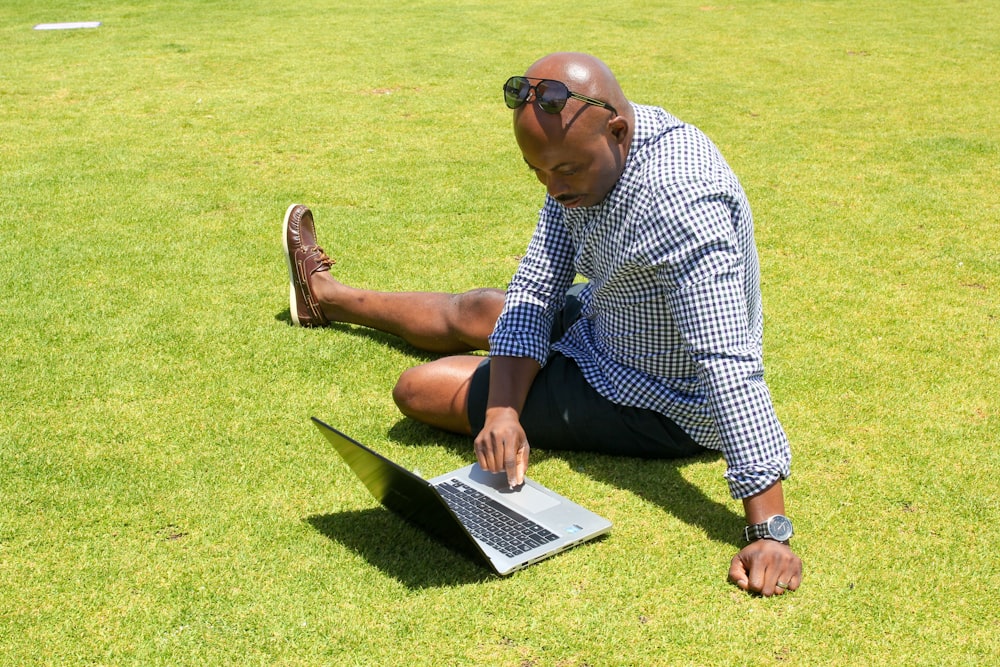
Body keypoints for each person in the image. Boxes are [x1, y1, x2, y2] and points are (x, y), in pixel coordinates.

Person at [282, 52, 803, 597]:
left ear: (618, 132)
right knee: (485, 308)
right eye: (538, 171)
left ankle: (356, 312)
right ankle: (326, 297)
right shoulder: (582, 150)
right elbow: (536, 286)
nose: (553, 188)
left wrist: (769, 530)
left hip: (658, 395)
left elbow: (727, 360)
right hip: (613, 312)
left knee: (419, 388)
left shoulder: (683, 202)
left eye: (565, 171)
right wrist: (504, 411)